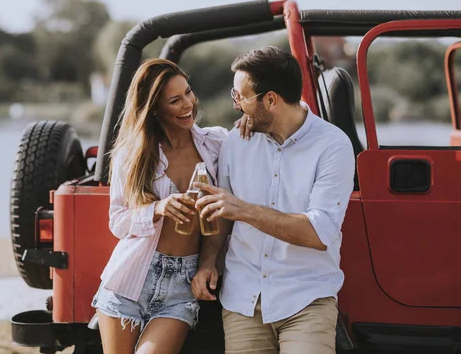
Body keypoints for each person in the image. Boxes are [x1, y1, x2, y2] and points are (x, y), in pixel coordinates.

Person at [191, 47, 356, 354]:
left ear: (270, 100)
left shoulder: (333, 146)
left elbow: (319, 233)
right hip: (243, 298)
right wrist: (208, 261)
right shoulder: (235, 142)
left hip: (306, 297)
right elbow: (223, 214)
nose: (236, 105)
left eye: (241, 97)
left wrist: (243, 209)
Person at [92, 58, 234, 354]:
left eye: (188, 93)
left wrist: (249, 120)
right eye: (175, 100)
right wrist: (157, 209)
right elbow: (118, 222)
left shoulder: (217, 143)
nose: (188, 105)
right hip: (131, 278)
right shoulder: (132, 154)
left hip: (182, 283)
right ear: (155, 108)